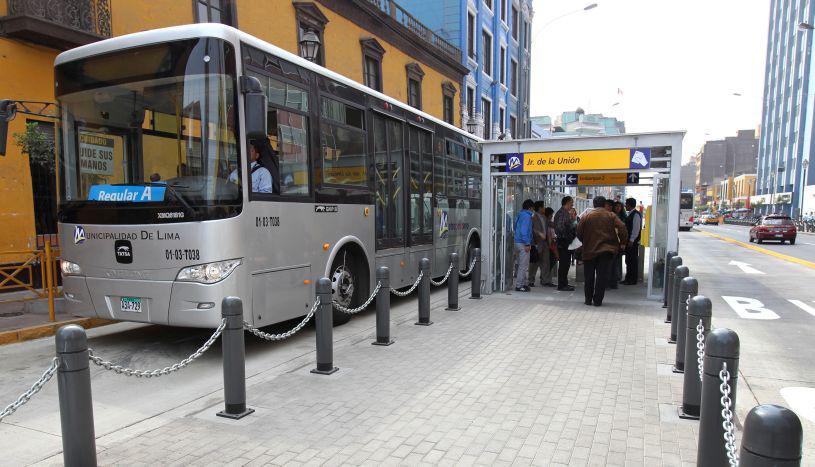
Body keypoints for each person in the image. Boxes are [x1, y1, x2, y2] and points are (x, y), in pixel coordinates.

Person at [576, 196, 628, 307]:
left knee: (589, 276)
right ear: (604, 204)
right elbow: (622, 227)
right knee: (602, 276)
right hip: (606, 250)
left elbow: (579, 232)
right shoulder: (611, 215)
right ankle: (598, 300)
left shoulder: (586, 216)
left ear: (594, 205)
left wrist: (585, 241)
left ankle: (588, 299)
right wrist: (622, 242)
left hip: (589, 250)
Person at [553, 196, 577, 291]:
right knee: (564, 264)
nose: (572, 204)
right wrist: (572, 222)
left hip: (566, 241)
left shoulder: (565, 213)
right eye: (571, 202)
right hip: (563, 242)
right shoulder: (561, 213)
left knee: (566, 264)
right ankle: (562, 285)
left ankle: (564, 283)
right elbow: (560, 228)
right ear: (566, 202)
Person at [514, 199, 535, 292]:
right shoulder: (527, 216)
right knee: (523, 265)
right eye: (533, 209)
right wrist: (527, 243)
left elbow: (515, 227)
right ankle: (519, 285)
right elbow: (524, 231)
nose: (533, 211)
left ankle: (522, 284)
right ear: (530, 208)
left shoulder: (520, 215)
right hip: (523, 243)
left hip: (517, 242)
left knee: (520, 265)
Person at [622, 197, 643, 285]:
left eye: (626, 204)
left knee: (632, 261)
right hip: (629, 241)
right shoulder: (630, 214)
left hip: (632, 242)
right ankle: (628, 278)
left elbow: (636, 229)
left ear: (629, 205)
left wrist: (631, 240)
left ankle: (632, 279)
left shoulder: (636, 215)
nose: (625, 206)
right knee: (628, 260)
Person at [608, 201, 627, 289]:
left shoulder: (615, 216)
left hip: (615, 243)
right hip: (614, 243)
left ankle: (614, 280)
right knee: (612, 263)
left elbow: (622, 229)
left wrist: (623, 242)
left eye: (620, 207)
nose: (618, 208)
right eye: (616, 206)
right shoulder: (612, 215)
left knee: (614, 262)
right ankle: (613, 281)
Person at [528, 201, 546, 288]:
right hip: (536, 242)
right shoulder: (533, 217)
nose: (544, 208)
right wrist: (539, 233)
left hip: (543, 242)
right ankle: (531, 280)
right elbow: (532, 229)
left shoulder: (544, 217)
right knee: (534, 262)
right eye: (543, 207)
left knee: (543, 262)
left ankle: (544, 280)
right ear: (539, 208)